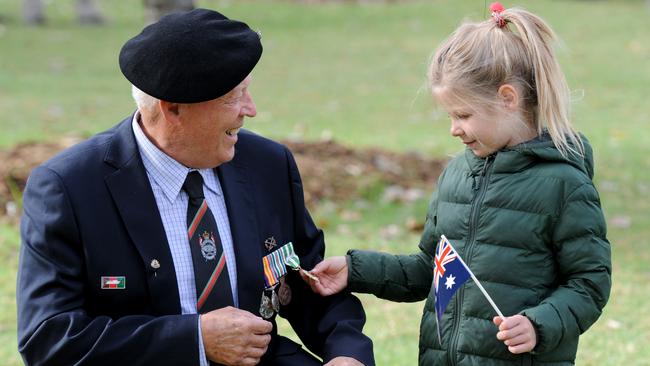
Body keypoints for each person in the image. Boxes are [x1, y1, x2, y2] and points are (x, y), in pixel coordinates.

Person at [17, 8, 373, 366]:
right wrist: (194, 339)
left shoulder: (268, 165)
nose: (250, 110)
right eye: (233, 97)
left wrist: (347, 353)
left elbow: (310, 282)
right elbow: (48, 338)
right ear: (173, 109)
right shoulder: (69, 188)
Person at [303, 3, 611, 365]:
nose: (454, 128)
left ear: (507, 98)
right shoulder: (456, 176)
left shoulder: (564, 186)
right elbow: (429, 270)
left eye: (463, 115)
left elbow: (589, 284)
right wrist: (356, 269)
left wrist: (537, 324)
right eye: (450, 116)